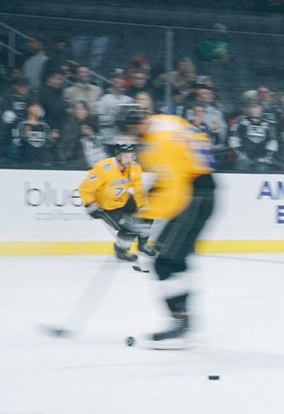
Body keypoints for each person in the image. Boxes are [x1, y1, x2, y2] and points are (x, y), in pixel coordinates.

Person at [115, 103, 216, 348]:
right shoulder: (166, 120)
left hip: (194, 196)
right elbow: (200, 146)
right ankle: (183, 319)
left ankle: (180, 321)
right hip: (203, 188)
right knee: (175, 260)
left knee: (164, 261)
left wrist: (138, 222)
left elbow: (173, 194)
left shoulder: (157, 146)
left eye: (130, 129)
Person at [79, 141, 151, 267]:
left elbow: (138, 189)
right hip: (107, 207)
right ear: (118, 156)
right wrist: (90, 204)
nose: (130, 160)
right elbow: (85, 189)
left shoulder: (135, 168)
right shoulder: (103, 168)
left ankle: (143, 244)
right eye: (126, 156)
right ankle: (121, 251)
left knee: (149, 214)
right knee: (130, 227)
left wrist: (142, 206)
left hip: (124, 200)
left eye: (132, 156)